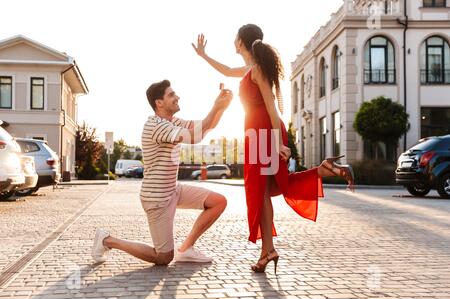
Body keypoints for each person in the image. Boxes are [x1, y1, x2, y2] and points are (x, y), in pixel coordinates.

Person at [193, 25, 354, 273]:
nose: (233, 42)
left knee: (266, 188)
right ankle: (268, 250)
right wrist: (203, 56)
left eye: (234, 38)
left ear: (240, 42)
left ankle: (322, 173)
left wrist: (278, 141)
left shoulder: (257, 70)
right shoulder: (251, 68)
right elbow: (225, 70)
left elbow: (272, 108)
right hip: (257, 133)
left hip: (263, 134)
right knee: (265, 190)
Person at [92, 80, 233, 265]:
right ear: (159, 102)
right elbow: (194, 136)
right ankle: (107, 240)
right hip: (157, 198)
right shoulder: (156, 126)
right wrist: (216, 107)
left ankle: (186, 249)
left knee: (218, 202)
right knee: (163, 257)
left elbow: (204, 128)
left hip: (173, 189)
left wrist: (222, 107)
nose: (177, 97)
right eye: (171, 95)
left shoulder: (172, 121)